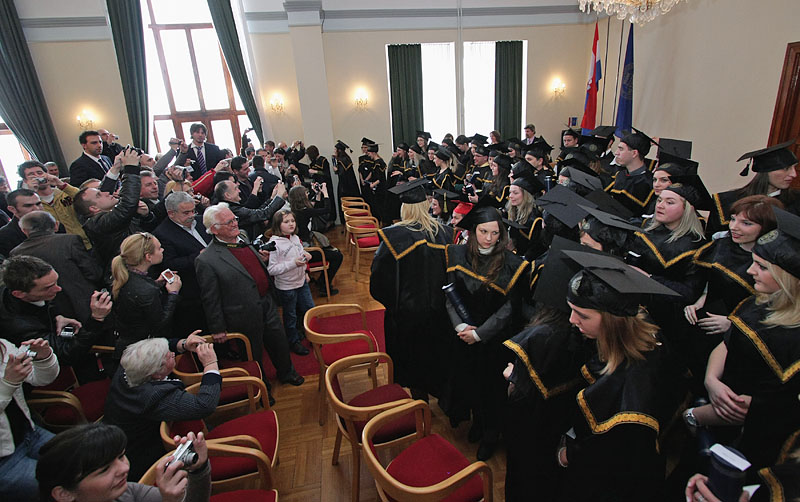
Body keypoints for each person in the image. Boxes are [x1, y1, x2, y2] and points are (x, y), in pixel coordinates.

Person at [556, 251, 683, 502]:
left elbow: (611, 452)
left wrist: (568, 456)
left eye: (582, 315)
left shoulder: (635, 387)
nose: (572, 320)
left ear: (614, 322)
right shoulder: (640, 327)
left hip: (616, 480)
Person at [684, 208, 800, 470]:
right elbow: (726, 342)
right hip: (715, 396)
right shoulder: (756, 302)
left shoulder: (793, 341)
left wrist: (693, 416)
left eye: (762, 266)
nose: (750, 271)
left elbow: (752, 408)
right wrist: (711, 380)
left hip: (747, 439)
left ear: (789, 279)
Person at [440, 205, 529, 460]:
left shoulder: (513, 265)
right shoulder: (456, 254)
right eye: (483, 231)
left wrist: (480, 334)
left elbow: (510, 309)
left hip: (493, 341)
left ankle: (491, 433)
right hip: (463, 336)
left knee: (492, 389)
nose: (489, 238)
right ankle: (477, 423)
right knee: (470, 383)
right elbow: (449, 294)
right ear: (472, 231)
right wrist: (460, 327)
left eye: (495, 232)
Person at [195, 203, 304, 388]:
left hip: (266, 302)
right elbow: (210, 298)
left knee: (278, 342)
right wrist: (217, 327)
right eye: (228, 222)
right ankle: (261, 387)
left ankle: (287, 373)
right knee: (253, 353)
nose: (235, 223)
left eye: (234, 219)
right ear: (214, 229)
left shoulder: (242, 237)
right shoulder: (207, 260)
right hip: (242, 313)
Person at [683, 195, 782, 383]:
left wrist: (733, 325)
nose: (733, 226)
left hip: (740, 338)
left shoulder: (773, 266)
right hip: (707, 324)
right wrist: (699, 301)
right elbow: (711, 281)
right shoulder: (722, 244)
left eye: (746, 223)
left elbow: (774, 309)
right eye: (734, 218)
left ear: (766, 228)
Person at [370, 179, 453, 401]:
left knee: (414, 362)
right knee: (436, 354)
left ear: (404, 208)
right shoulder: (445, 232)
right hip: (440, 310)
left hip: (408, 315)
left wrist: (394, 303)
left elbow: (378, 282)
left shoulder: (394, 237)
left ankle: (420, 402)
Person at [102, 337, 220, 479]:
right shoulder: (153, 396)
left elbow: (156, 347)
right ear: (157, 373)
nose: (172, 353)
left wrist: (183, 344)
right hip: (141, 461)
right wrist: (210, 364)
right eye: (168, 355)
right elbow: (205, 405)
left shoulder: (129, 366)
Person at [37, 424, 212, 502]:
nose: (124, 468)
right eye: (105, 469)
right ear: (63, 494)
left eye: (121, 457)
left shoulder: (124, 492)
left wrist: (198, 469)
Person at [11, 211, 103, 324]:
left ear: (24, 230)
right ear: (56, 225)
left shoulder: (16, 253)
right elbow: (93, 272)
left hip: (48, 313)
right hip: (85, 304)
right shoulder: (70, 241)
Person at [0, 337, 58, 502]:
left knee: (82, 460)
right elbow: (9, 384)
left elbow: (42, 379)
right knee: (58, 488)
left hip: (29, 434)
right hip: (4, 460)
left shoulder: (3, 345)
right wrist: (8, 384)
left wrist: (44, 358)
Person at [110, 232, 182, 361]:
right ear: (148, 256)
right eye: (159, 248)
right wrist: (173, 294)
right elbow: (160, 323)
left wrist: (156, 284)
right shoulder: (145, 290)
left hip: (128, 343)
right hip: (143, 352)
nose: (163, 250)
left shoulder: (125, 276)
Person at [706, 140, 799, 238]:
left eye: (794, 168)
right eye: (786, 168)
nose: (794, 174)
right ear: (766, 171)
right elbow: (710, 241)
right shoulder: (727, 201)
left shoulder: (796, 202)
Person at [74, 148, 145, 272]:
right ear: (94, 208)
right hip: (128, 271)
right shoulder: (99, 224)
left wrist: (115, 167)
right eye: (98, 195)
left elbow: (104, 192)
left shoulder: (94, 216)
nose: (106, 193)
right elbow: (128, 205)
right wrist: (131, 168)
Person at [152, 192, 212, 338]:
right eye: (186, 212)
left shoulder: (200, 221)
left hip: (212, 285)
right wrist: (199, 255)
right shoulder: (163, 233)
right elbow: (169, 264)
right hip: (192, 295)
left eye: (193, 210)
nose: (192, 215)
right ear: (171, 213)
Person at [266, 210, 313, 356]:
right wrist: (294, 263)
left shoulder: (294, 238)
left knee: (309, 309)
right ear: (278, 225)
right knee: (290, 315)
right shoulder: (274, 244)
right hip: (287, 287)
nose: (291, 224)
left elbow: (299, 254)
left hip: (301, 282)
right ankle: (293, 342)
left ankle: (311, 335)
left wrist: (305, 262)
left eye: (292, 221)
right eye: (286, 222)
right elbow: (272, 269)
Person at [18, 160, 90, 249]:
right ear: (25, 180)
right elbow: (27, 218)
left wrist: (60, 184)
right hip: (56, 247)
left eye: (40, 173)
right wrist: (31, 192)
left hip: (83, 242)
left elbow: (86, 198)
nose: (37, 176)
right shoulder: (31, 203)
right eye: (31, 175)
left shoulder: (64, 192)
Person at [287, 184, 343, 295]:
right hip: (306, 251)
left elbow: (313, 208)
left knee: (333, 251)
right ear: (302, 197)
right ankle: (323, 285)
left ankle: (322, 281)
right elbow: (326, 209)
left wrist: (317, 194)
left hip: (302, 247)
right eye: (306, 193)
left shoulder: (295, 211)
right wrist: (325, 193)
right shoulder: (304, 212)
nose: (308, 194)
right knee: (338, 256)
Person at [213, 179, 285, 240]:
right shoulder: (233, 211)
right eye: (236, 188)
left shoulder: (233, 207)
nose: (239, 191)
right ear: (227, 195)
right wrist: (279, 196)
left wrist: (272, 198)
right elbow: (263, 214)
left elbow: (257, 212)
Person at [605, 130, 656, 216]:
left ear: (634, 153)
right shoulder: (620, 175)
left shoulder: (649, 183)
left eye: (621, 149)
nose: (616, 152)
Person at [0, 188, 43, 258]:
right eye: (28, 206)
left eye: (38, 204)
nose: (37, 208)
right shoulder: (4, 236)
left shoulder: (55, 225)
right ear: (12, 209)